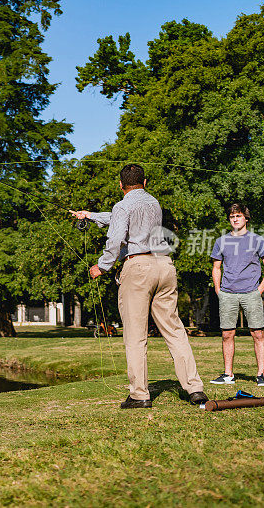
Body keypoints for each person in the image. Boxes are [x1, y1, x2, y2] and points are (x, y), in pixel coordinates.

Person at [70, 164, 208, 409]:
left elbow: (115, 237)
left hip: (138, 267)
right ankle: (195, 388)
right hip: (164, 265)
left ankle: (139, 395)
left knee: (135, 336)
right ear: (145, 182)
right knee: (175, 331)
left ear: (120, 185)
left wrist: (102, 267)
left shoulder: (123, 205)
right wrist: (89, 215)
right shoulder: (153, 203)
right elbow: (117, 218)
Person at [210, 203, 264, 387]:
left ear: (246, 218)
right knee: (227, 334)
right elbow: (216, 267)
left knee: (257, 333)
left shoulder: (257, 240)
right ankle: (228, 375)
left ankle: (261, 375)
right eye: (232, 216)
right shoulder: (221, 241)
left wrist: (259, 290)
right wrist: (218, 289)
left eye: (238, 216)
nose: (235, 219)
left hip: (251, 293)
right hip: (228, 294)